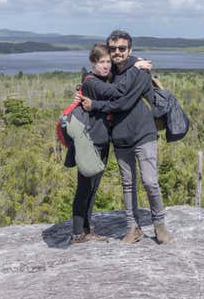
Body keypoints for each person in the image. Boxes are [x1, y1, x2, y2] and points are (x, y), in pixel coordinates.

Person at [80, 30, 174, 244]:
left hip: (144, 133)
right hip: (120, 137)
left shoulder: (140, 71)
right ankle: (133, 228)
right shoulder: (109, 72)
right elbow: (97, 84)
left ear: (130, 50)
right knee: (128, 184)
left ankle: (159, 225)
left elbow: (123, 102)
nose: (117, 52)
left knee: (150, 182)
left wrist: (96, 105)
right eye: (113, 49)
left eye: (122, 48)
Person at [68, 44, 150, 244]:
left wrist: (135, 61)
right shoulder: (92, 82)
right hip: (90, 142)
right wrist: (136, 68)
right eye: (101, 62)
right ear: (92, 63)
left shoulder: (99, 78)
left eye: (107, 62)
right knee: (85, 187)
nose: (106, 66)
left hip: (102, 141)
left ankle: (86, 229)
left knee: (93, 187)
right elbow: (117, 91)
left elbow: (121, 67)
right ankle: (78, 232)